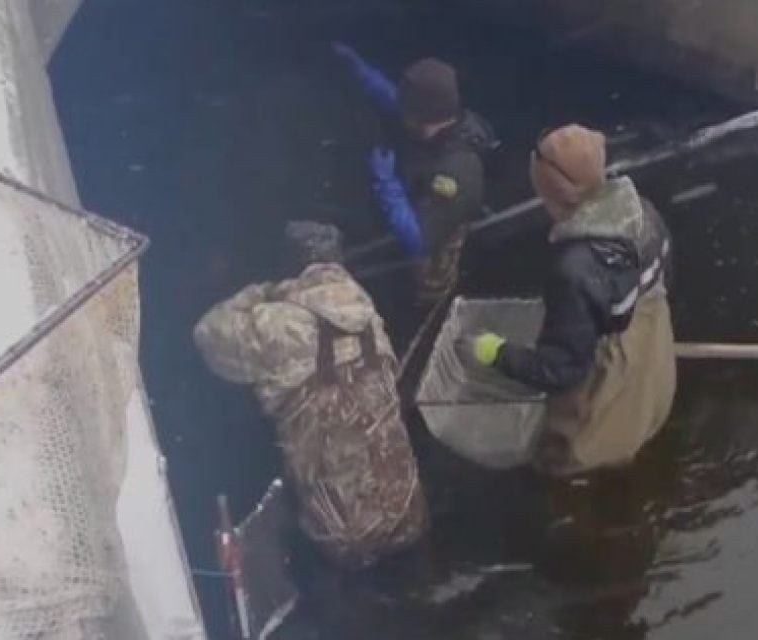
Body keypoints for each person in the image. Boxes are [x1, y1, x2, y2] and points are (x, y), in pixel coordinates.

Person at [193, 221, 427, 568]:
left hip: (341, 538)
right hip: (408, 516)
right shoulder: (365, 311)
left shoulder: (279, 323)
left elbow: (207, 335)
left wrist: (263, 291)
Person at [460, 124, 677, 475]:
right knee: (642, 416)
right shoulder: (644, 213)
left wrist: (494, 351)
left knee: (574, 452)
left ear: (548, 188)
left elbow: (560, 371)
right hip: (652, 337)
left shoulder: (573, 271)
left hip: (614, 363)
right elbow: (666, 274)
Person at [333, 43, 496, 305]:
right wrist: (360, 70)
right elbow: (394, 101)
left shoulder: (456, 173)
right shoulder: (440, 116)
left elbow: (418, 239)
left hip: (435, 246)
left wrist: (386, 183)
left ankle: (426, 308)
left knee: (424, 284)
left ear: (421, 119)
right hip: (422, 195)